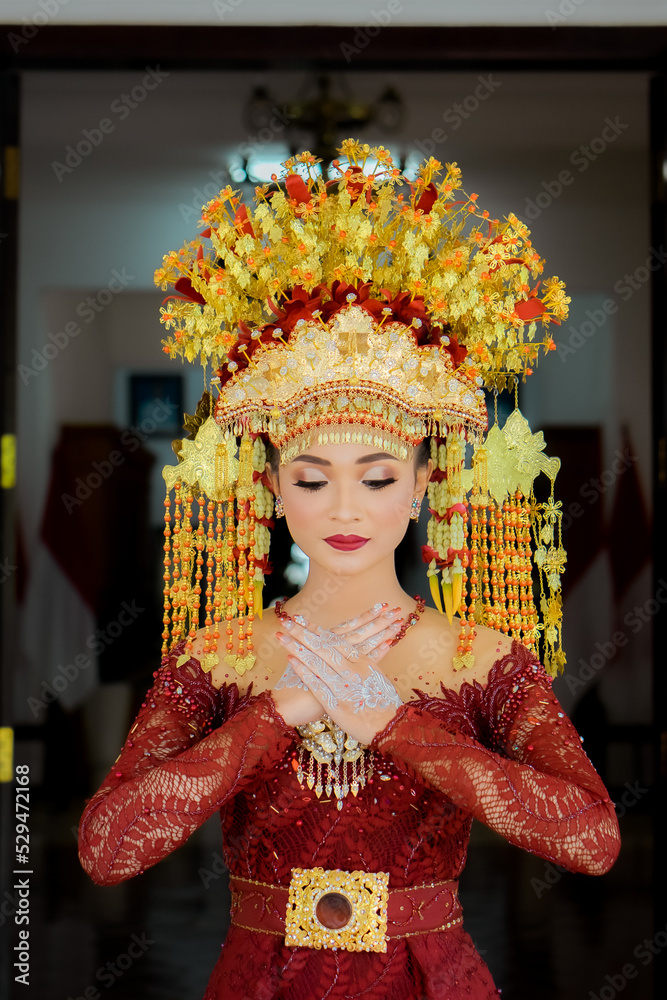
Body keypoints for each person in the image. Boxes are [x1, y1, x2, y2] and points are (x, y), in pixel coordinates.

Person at [78, 141, 620, 999]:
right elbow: (109, 849)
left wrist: (389, 725)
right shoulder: (220, 658)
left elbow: (591, 839)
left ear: (419, 489)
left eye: (374, 478)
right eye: (310, 478)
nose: (342, 509)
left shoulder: (477, 659)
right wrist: (285, 707)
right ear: (272, 490)